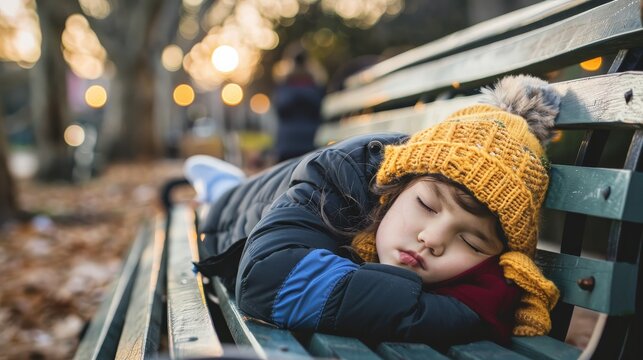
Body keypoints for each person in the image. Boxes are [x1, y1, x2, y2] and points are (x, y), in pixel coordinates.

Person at [187, 75, 561, 348]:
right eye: (426, 206)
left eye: (470, 242)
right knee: (225, 202)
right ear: (396, 186)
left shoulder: (481, 257)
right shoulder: (342, 175)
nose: (431, 240)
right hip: (235, 214)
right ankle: (221, 186)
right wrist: (434, 312)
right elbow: (268, 281)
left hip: (281, 200)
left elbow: (493, 297)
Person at [272, 48, 325, 162]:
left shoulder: (284, 84)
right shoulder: (316, 84)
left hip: (288, 145)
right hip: (311, 142)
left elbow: (280, 109)